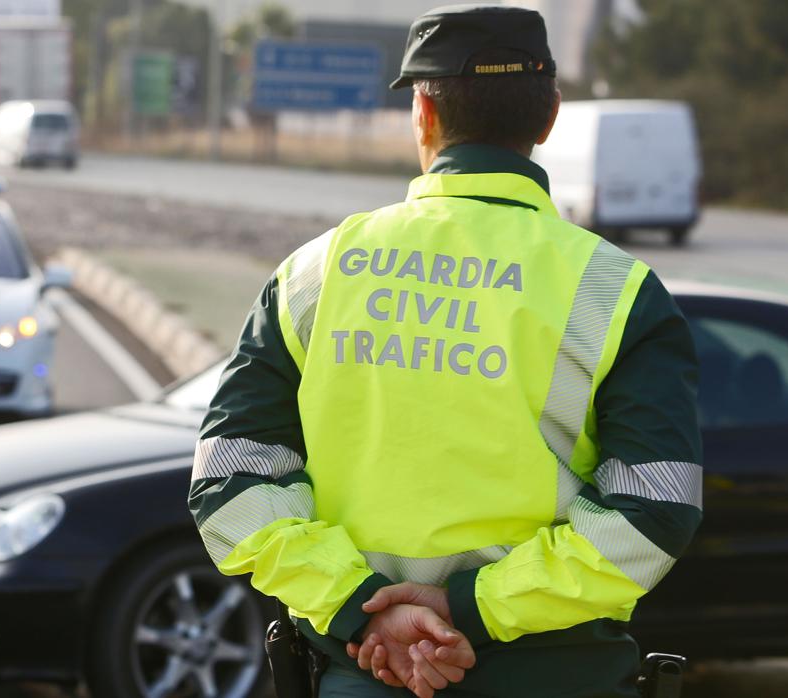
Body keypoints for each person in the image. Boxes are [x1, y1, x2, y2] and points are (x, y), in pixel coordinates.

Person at [188, 5, 703, 696]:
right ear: (548, 117)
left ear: (422, 114)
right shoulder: (618, 291)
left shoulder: (315, 272)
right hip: (556, 676)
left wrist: (361, 608)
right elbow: (658, 508)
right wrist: (477, 608)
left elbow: (230, 483)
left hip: (358, 674)